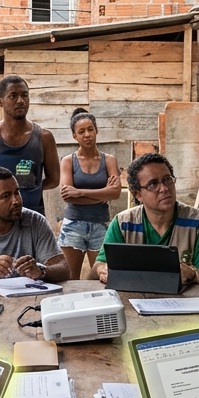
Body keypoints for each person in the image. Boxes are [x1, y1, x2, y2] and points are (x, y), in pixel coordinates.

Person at [93, 153, 199, 295]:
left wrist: (193, 274)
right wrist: (102, 268)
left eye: (167, 179)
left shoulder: (198, 223)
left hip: (184, 307)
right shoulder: (123, 224)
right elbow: (95, 271)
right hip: (135, 305)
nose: (164, 188)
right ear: (138, 195)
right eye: (153, 184)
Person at [0, 75, 59, 217]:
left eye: (24, 95)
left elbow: (54, 180)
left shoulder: (44, 137)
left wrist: (32, 189)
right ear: (0, 101)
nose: (20, 101)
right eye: (13, 96)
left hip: (32, 219)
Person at [57, 108, 121, 280]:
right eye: (81, 131)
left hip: (100, 224)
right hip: (73, 225)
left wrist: (79, 192)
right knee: (70, 280)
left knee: (102, 278)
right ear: (74, 136)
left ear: (96, 130)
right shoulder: (68, 161)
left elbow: (115, 193)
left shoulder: (109, 160)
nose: (87, 134)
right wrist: (102, 194)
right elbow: (67, 196)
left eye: (90, 129)